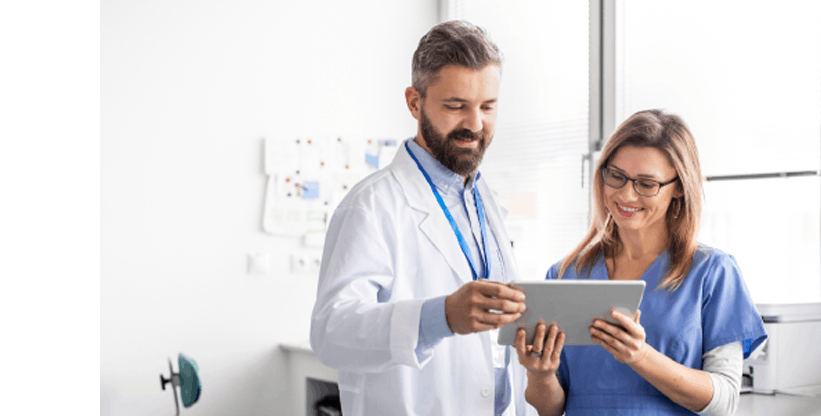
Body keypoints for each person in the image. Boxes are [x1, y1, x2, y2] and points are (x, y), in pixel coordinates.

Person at [310, 20, 535, 416]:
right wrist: (442, 317)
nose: (475, 124)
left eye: (487, 107)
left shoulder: (486, 201)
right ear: (415, 103)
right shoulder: (371, 205)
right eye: (456, 106)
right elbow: (332, 332)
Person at [514, 109, 768, 416]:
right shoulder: (566, 274)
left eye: (646, 184)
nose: (626, 194)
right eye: (616, 176)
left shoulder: (712, 272)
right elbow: (551, 408)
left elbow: (724, 401)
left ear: (678, 190)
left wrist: (640, 356)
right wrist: (539, 373)